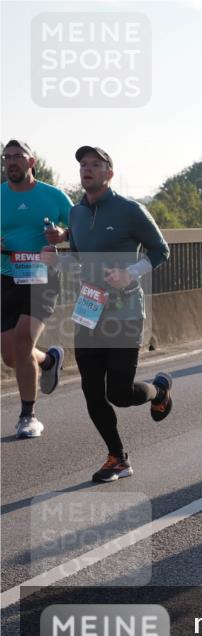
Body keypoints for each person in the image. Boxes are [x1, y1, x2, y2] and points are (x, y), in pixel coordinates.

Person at [47, 146, 173, 481]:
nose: (87, 169)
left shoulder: (130, 210)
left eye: (95, 165)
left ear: (109, 172)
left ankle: (159, 391)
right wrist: (55, 260)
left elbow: (161, 250)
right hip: (89, 307)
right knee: (91, 389)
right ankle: (117, 457)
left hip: (125, 309)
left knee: (118, 393)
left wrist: (128, 273)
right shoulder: (75, 214)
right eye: (83, 165)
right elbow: (77, 259)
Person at [1, 139, 73, 438]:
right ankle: (48, 360)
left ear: (32, 162)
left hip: (42, 274)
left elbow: (80, 228)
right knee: (11, 356)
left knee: (22, 340)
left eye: (18, 156)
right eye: (7, 158)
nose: (12, 162)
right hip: (6, 275)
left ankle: (28, 416)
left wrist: (62, 235)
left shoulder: (53, 196)